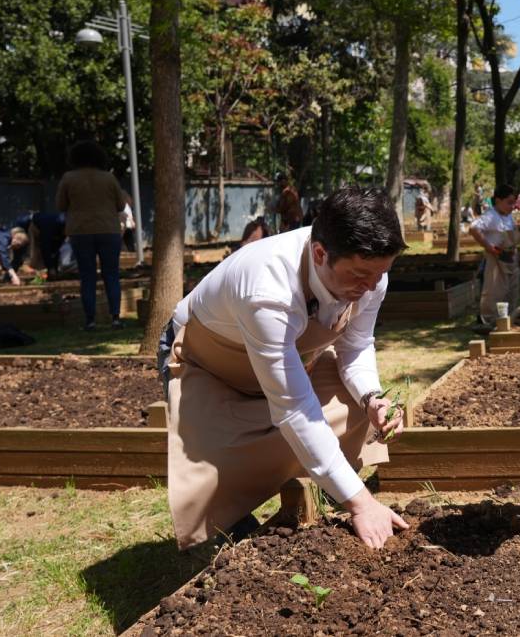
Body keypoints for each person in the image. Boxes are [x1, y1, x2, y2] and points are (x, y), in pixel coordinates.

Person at [158, 187, 409, 550]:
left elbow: (355, 346)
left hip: (271, 361)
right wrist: (362, 504)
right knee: (217, 476)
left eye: (381, 273)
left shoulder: (370, 275)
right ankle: (242, 542)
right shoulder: (267, 290)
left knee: (351, 405)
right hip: (207, 362)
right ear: (320, 254)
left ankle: (321, 492)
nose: (371, 286)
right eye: (359, 275)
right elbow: (294, 410)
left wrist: (372, 398)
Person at [56, 140, 127, 330]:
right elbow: (121, 205)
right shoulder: (109, 178)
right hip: (109, 229)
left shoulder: (69, 178)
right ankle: (116, 318)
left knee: (87, 276)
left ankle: (90, 321)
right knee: (111, 274)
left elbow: (61, 205)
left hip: (81, 231)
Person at [469, 185, 520, 333]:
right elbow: (473, 228)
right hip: (496, 258)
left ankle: (508, 319)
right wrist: (489, 246)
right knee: (495, 290)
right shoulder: (491, 216)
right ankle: (489, 321)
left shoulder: (508, 215)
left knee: (511, 289)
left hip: (510, 257)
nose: (512, 206)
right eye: (509, 202)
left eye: (513, 202)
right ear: (498, 201)